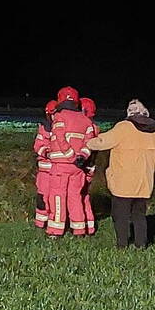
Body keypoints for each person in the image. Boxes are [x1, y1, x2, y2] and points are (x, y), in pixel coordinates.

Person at [86, 99, 155, 248]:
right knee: (139, 216)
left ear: (129, 112)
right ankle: (141, 245)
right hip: (144, 184)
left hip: (122, 184)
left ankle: (122, 246)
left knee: (120, 217)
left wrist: (87, 142)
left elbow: (102, 142)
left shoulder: (123, 128)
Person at [43, 86, 96, 237]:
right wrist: (81, 157)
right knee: (75, 197)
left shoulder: (60, 117)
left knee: (58, 197)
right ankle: (79, 230)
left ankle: (55, 231)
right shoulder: (86, 120)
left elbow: (60, 138)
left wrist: (71, 155)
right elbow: (89, 142)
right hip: (78, 167)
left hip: (61, 165)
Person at [32, 100, 56, 228]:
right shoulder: (44, 128)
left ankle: (52, 223)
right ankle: (40, 224)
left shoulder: (62, 127)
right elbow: (38, 146)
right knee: (42, 198)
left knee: (55, 199)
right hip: (45, 172)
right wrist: (47, 153)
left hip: (57, 171)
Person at [79, 97, 100, 234]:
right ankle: (89, 225)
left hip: (83, 166)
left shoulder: (85, 127)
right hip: (90, 166)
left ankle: (80, 226)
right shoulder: (95, 127)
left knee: (78, 196)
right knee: (84, 195)